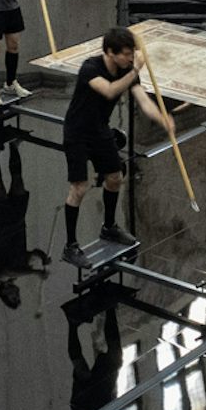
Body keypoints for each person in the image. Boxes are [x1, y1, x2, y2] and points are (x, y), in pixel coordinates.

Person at [61, 27, 173, 258]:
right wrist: (135, 70)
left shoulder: (126, 70)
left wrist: (161, 118)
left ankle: (109, 226)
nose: (131, 58)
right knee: (79, 188)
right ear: (110, 53)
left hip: (99, 129)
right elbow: (110, 91)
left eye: (132, 53)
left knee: (115, 178)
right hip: (77, 132)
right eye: (126, 54)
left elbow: (142, 99)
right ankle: (70, 245)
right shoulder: (91, 68)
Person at [0, 143, 50, 309]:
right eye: (18, 298)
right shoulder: (22, 269)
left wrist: (36, 272)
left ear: (4, 293)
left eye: (13, 298)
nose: (17, 294)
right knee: (18, 183)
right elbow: (31, 253)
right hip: (18, 224)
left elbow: (9, 271)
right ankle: (14, 147)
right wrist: (42, 257)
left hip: (2, 226)